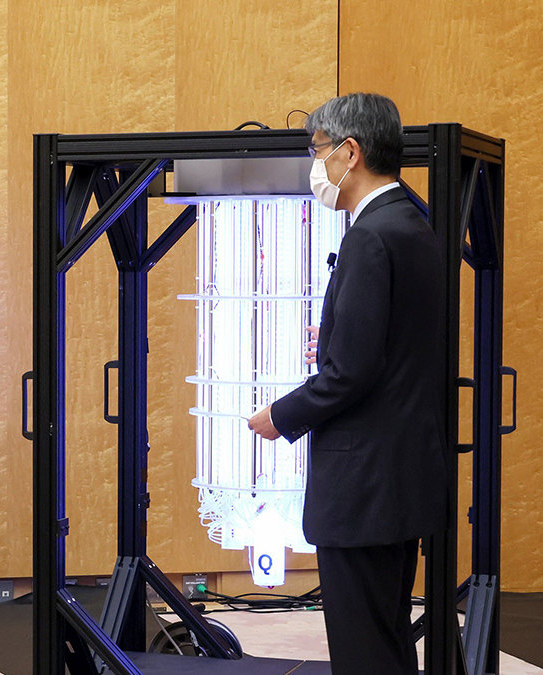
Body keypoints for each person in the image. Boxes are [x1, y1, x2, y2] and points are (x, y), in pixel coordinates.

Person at [248, 93, 449, 674]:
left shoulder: (369, 236)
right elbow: (399, 344)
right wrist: (339, 336)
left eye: (317, 150)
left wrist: (280, 416)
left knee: (365, 653)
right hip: (399, 479)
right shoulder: (412, 224)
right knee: (387, 642)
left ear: (350, 152)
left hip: (362, 487)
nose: (316, 165)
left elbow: (351, 375)